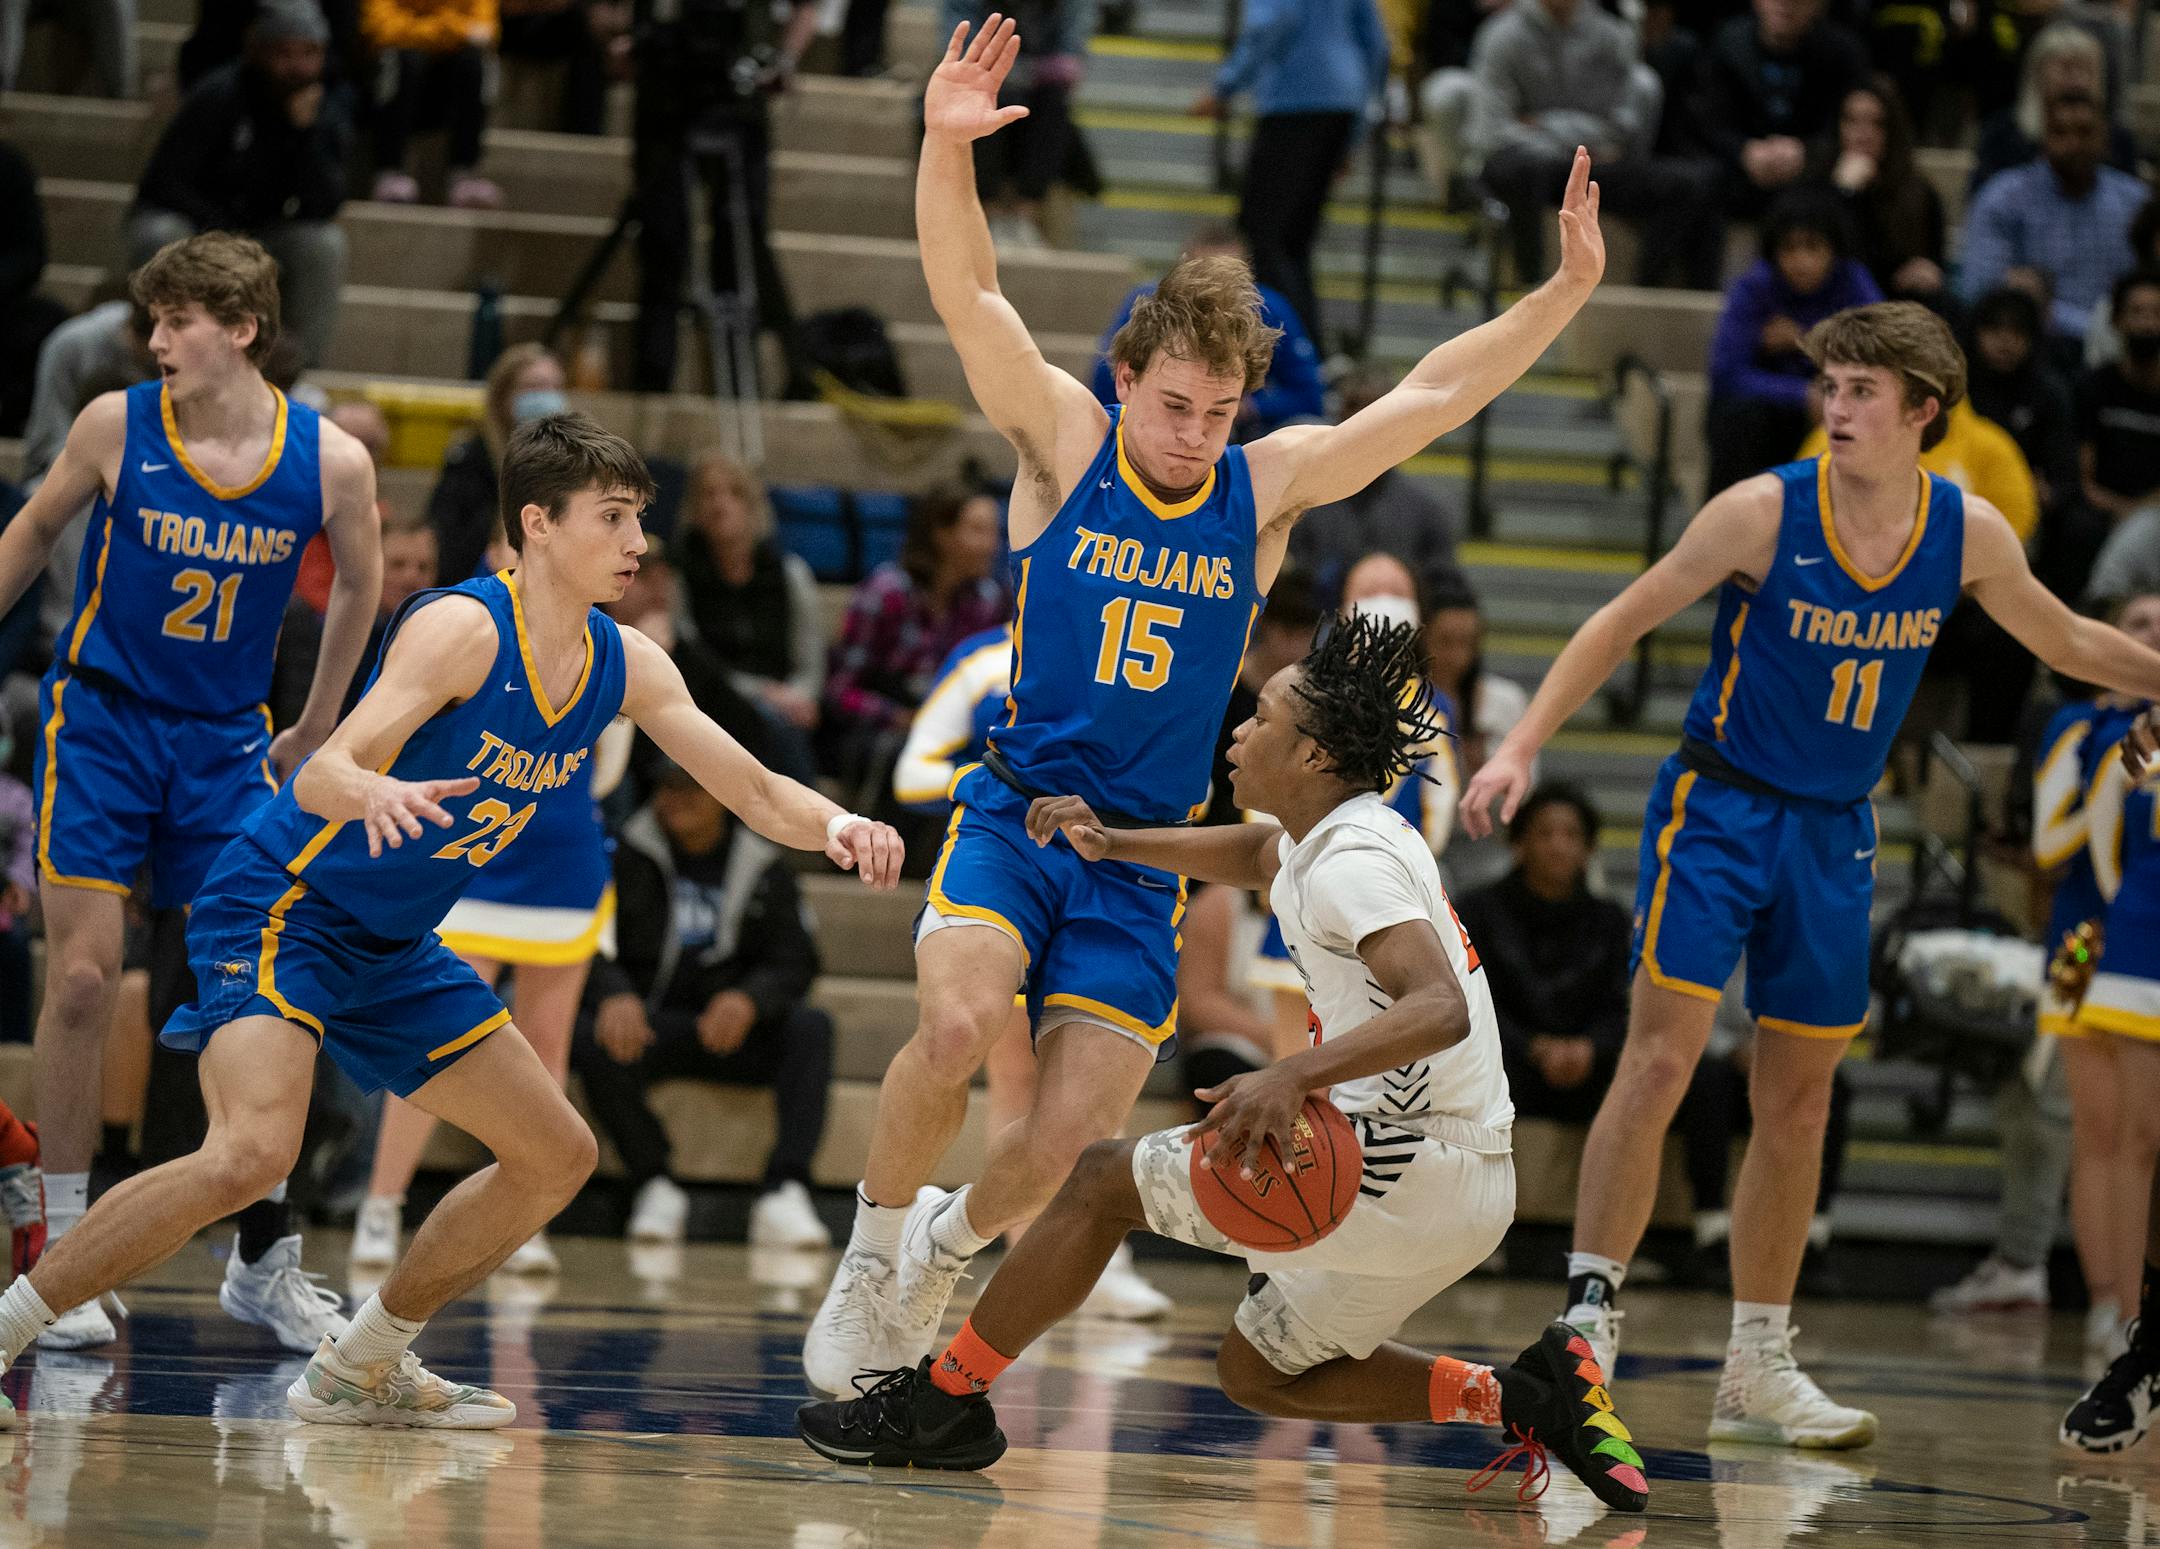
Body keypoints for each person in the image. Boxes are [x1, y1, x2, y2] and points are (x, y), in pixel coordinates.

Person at [799, 13, 1607, 1397]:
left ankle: (943, 1241)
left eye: (1219, 410)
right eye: (1174, 403)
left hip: (1139, 854)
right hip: (1015, 813)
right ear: (1127, 381)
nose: (1194, 431)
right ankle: (875, 1250)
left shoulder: (1267, 488)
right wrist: (944, 151)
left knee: (1058, 1152)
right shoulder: (1066, 443)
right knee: (949, 1028)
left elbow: (1432, 392)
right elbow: (971, 295)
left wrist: (1563, 296)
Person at [0, 411, 904, 1426]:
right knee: (252, 1153)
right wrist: (371, 793)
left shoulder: (627, 663)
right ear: (540, 525)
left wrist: (839, 821)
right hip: (282, 907)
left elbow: (750, 785)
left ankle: (360, 1363)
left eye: (640, 519)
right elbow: (331, 764)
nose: (638, 544)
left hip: (388, 941)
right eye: (612, 518)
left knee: (557, 1153)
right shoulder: (464, 629)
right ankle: (8, 1327)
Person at [1459, 299, 2160, 1449]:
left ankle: (1760, 1361)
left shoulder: (1968, 531)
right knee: (1662, 1055)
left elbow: (2071, 640)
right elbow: (1624, 617)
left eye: (1860, 393)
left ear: (1922, 412)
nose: (1833, 409)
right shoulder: (1762, 512)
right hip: (1722, 806)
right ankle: (1588, 1320)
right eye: (1827, 387)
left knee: (1802, 1097)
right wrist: (1528, 741)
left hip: (1835, 830)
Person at [796, 614, 1650, 1517]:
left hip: (1398, 1160)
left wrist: (1293, 1076)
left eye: (1264, 719)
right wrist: (1115, 840)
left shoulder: (1350, 863)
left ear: (1315, 754)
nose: (1238, 728)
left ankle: (943, 1403)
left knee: (1097, 1180)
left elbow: (1435, 1005)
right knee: (1260, 1371)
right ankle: (1530, 1397)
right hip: (1472, 1187)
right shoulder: (1344, 833)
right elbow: (1254, 854)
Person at [0, 232, 383, 1352]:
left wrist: (318, 724)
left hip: (226, 744)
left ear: (242, 329)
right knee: (79, 978)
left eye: (177, 322)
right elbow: (31, 529)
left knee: (252, 988)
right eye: (152, 322)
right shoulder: (118, 425)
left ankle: (265, 1257)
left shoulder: (332, 462)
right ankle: (54, 1242)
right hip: (105, 718)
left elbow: (362, 584)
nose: (155, 340)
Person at [890, 625, 1175, 1317]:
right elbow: (913, 771)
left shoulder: (1128, 647)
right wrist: (1006, 784)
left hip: (1112, 878)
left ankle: (1078, 1250)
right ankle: (1029, 1251)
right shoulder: (983, 660)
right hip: (1014, 875)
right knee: (1016, 1082)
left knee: (1087, 1099)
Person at [347, 687, 627, 1278]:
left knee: (545, 1049)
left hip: (561, 863)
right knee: (439, 1044)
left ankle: (525, 1225)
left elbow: (611, 771)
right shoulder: (483, 638)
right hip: (478, 854)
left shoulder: (612, 658)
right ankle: (381, 1206)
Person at [570, 755, 834, 1250]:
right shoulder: (623, 854)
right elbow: (583, 939)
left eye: (691, 788)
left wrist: (750, 999)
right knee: (587, 1033)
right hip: (651, 1024)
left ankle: (787, 1190)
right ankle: (654, 1182)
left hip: (731, 1029)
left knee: (811, 1028)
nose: (676, 799)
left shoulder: (764, 867)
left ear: (722, 797)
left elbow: (797, 960)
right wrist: (614, 993)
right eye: (666, 787)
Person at [126, 0, 355, 368]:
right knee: (159, 232)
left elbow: (325, 203)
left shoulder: (323, 109)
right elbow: (165, 184)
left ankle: (297, 372)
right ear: (258, 52)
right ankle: (153, 354)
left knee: (323, 244)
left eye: (309, 54)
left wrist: (303, 135)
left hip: (262, 231)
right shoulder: (218, 94)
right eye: (285, 53)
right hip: (199, 226)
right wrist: (224, 234)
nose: (297, 67)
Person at [628, 0, 818, 395]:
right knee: (664, 237)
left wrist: (783, 60)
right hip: (666, 93)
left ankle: (738, 376)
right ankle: (652, 376)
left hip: (738, 97)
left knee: (741, 236)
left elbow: (806, 8)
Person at [2061, 702, 2160, 1453]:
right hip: (2139, 947)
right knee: (2137, 1139)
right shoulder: (2136, 730)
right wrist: (2122, 909)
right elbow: (2097, 832)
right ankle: (2141, 1337)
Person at [1468, 0, 1722, 290]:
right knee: (1515, 170)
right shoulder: (1501, 35)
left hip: (1597, 161)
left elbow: (1624, 124)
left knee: (1697, 183)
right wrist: (1572, 141)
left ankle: (1644, 293)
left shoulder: (1613, 36)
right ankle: (1531, 285)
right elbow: (1492, 131)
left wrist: (1544, 125)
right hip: (1535, 163)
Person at [1194, 0, 1390, 344]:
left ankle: (1291, 349)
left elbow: (1275, 19)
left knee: (1263, 238)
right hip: (1341, 104)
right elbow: (1377, 44)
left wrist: (1226, 85)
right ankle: (1311, 356)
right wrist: (1355, 129)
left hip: (1294, 102)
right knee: (1294, 243)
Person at [1455, 783, 1628, 1126]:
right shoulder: (1477, 911)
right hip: (1505, 1058)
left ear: (1588, 849)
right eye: (1545, 833)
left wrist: (1590, 1047)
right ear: (1518, 843)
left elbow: (1623, 1006)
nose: (1557, 846)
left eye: (1571, 835)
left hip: (1591, 1062)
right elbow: (1469, 1000)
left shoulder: (1611, 920)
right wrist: (1534, 1047)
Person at [818, 486, 1008, 795]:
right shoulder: (886, 593)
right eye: (977, 531)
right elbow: (839, 692)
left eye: (994, 532)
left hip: (950, 724)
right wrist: (898, 717)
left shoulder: (987, 599)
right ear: (941, 535)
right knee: (909, 758)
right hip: (881, 727)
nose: (992, 545)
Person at [1705, 190, 1882, 497]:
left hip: (1836, 406)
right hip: (1768, 415)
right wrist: (1802, 394)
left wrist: (1805, 341)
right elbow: (1726, 374)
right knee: (1738, 418)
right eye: (1789, 249)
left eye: (1813, 247)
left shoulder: (1854, 284)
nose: (1801, 261)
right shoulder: (1754, 287)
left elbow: (1878, 359)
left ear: (1834, 250)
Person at [671, 452, 825, 781]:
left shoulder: (790, 574)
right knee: (763, 723)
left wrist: (799, 697)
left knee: (783, 725)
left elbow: (810, 658)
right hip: (713, 701)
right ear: (694, 509)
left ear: (753, 505)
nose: (720, 504)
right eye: (709, 494)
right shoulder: (682, 576)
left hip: (787, 705)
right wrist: (764, 693)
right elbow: (692, 657)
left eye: (733, 493)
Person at [1093, 226, 1326, 442]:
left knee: (1310, 431)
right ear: (1182, 270)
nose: (1216, 288)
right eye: (1206, 275)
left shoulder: (1269, 308)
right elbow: (1107, 383)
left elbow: (1309, 395)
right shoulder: (1150, 303)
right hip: (1157, 429)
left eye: (1230, 278)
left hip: (1248, 432)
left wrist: (1250, 407)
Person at [1958, 91, 2147, 352]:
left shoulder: (2135, 202)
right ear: (2043, 138)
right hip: (2031, 351)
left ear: (2105, 137)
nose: (2073, 143)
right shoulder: (2003, 197)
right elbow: (1978, 287)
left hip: (2124, 351)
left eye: (2084, 132)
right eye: (2060, 132)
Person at [1688, 0, 1868, 223]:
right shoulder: (1728, 43)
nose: (1786, 4)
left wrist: (1808, 152)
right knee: (1699, 179)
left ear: (1819, 5)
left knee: (1856, 170)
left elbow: (1853, 121)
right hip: (1736, 171)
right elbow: (1705, 121)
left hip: (1813, 175)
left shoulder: (1843, 53)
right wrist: (1743, 151)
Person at [1289, 374, 1459, 599]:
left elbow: (1442, 585)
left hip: (1401, 624)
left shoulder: (1427, 508)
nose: (1367, 431)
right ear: (1339, 421)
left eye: (1376, 416)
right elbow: (1287, 583)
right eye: (1357, 415)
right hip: (1316, 623)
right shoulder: (1303, 502)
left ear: (1399, 427)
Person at [429, 344, 569, 589]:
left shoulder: (574, 463)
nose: (546, 397)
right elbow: (449, 545)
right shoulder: (469, 459)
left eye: (554, 387)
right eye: (534, 387)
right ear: (503, 397)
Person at [1803, 78, 1944, 305]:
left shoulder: (1919, 193)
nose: (1863, 134)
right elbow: (1811, 257)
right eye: (1852, 121)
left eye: (1877, 123)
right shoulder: (1814, 187)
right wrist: (1843, 194)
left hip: (1896, 312)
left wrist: (1928, 272)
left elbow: (1934, 262)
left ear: (1892, 132)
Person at [1968, 21, 2139, 198]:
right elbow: (1981, 199)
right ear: (2037, 73)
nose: (2077, 81)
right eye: (2066, 68)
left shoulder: (2118, 140)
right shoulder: (2001, 134)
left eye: (2087, 70)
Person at [362, 0, 504, 208]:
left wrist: (422, 31)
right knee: (404, 59)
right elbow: (380, 28)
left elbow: (486, 30)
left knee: (475, 63)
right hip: (400, 77)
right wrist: (447, 29)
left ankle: (464, 174)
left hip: (449, 78)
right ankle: (389, 171)